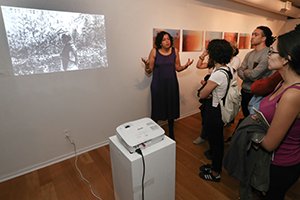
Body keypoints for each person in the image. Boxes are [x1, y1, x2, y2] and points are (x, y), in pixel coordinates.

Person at [256, 24, 300, 200]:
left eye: (272, 52)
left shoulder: (292, 95)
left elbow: (269, 144)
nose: (268, 55)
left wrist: (249, 132)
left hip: (281, 164)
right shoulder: (283, 83)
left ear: (286, 59)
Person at [142, 31, 193, 140]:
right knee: (157, 108)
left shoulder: (175, 51)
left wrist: (185, 66)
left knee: (171, 107)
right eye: (164, 39)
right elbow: (149, 71)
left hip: (171, 84)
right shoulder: (154, 51)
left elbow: (177, 68)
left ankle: (171, 132)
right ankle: (154, 134)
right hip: (158, 85)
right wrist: (147, 66)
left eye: (168, 39)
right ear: (160, 42)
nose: (167, 41)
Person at [198, 39, 234, 182]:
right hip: (219, 108)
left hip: (214, 111)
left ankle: (215, 173)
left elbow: (202, 94)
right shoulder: (228, 68)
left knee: (216, 143)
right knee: (216, 141)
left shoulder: (217, 73)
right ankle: (214, 166)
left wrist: (206, 85)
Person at [237, 26, 276, 117]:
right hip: (245, 91)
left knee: (253, 118)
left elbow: (254, 75)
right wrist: (249, 72)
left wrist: (246, 72)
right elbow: (239, 70)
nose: (252, 37)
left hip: (258, 94)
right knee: (246, 115)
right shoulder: (249, 54)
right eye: (252, 34)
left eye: (256, 34)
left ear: (264, 38)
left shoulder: (268, 54)